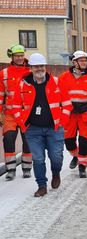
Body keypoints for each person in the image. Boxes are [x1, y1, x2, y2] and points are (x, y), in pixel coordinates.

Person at [12, 53, 72, 197]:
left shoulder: (56, 82)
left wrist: (62, 122)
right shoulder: (22, 84)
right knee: (38, 159)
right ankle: (42, 185)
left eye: (42, 66)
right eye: (36, 66)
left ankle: (56, 173)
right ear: (31, 67)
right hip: (33, 130)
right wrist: (22, 123)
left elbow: (67, 104)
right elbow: (15, 106)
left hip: (54, 129)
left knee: (56, 157)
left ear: (45, 67)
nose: (39, 69)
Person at [59, 50, 87, 178]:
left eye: (85, 60)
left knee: (84, 141)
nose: (84, 63)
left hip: (85, 113)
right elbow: (59, 95)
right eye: (81, 60)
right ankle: (75, 156)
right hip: (69, 114)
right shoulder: (64, 77)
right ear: (74, 62)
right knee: (69, 141)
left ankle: (82, 166)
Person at [0, 44, 32, 180]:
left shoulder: (31, 71)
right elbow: (1, 94)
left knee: (28, 141)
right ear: (12, 57)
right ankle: (11, 169)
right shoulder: (4, 73)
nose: (19, 58)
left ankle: (26, 168)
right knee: (8, 139)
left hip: (27, 113)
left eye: (21, 55)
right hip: (10, 114)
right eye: (17, 56)